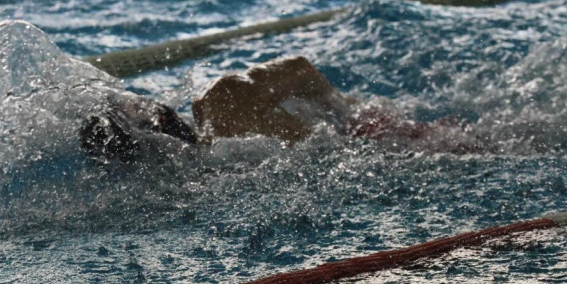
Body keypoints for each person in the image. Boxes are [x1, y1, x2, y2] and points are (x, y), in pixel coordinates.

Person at [79, 56, 472, 161]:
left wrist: (345, 114)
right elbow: (300, 67)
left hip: (366, 135)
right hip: (365, 141)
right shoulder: (218, 105)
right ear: (160, 116)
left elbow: (301, 68)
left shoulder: (221, 107)